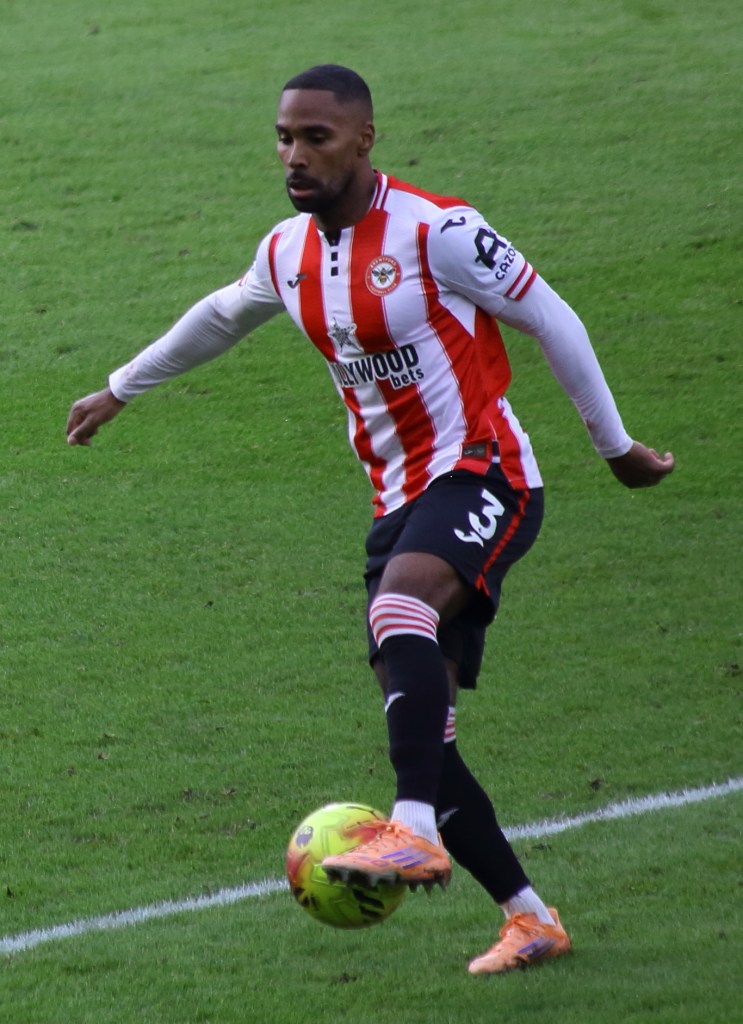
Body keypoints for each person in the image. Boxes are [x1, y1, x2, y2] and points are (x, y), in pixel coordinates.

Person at [67, 64, 674, 975]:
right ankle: (529, 917)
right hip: (397, 505)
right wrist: (120, 388)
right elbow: (224, 314)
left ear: (363, 139)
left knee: (400, 620)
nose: (294, 155)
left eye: (315, 137)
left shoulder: (440, 232)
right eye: (283, 137)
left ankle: (412, 829)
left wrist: (615, 447)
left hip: (486, 475)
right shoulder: (289, 252)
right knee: (422, 727)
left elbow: (551, 316)